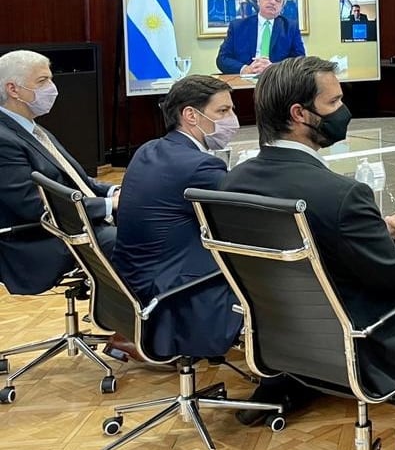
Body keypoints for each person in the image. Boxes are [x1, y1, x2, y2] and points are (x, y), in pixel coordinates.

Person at [219, 56, 395, 450]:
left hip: (282, 338)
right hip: (360, 338)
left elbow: (306, 238)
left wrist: (373, 229)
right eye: (334, 103)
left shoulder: (233, 183)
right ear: (300, 114)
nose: (344, 111)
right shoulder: (341, 195)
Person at [111, 75, 243, 358]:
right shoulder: (200, 166)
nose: (233, 119)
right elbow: (241, 222)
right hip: (177, 292)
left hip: (136, 281)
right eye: (223, 111)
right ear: (190, 116)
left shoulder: (148, 149)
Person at [0, 50, 120, 293]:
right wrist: (108, 205)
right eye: (42, 81)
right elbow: (34, 206)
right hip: (38, 240)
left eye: (51, 79)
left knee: (154, 223)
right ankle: (127, 322)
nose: (52, 88)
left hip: (74, 221)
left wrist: (116, 191)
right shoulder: (4, 139)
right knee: (131, 241)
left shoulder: (31, 128)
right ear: (13, 89)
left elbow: (77, 180)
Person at [215, 0, 306, 75]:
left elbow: (300, 60)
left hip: (277, 82)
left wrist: (274, 68)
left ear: (281, 7)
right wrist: (245, 69)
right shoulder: (238, 26)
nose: (273, 2)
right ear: (259, 1)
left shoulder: (291, 27)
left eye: (278, 0)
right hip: (245, 81)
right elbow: (222, 59)